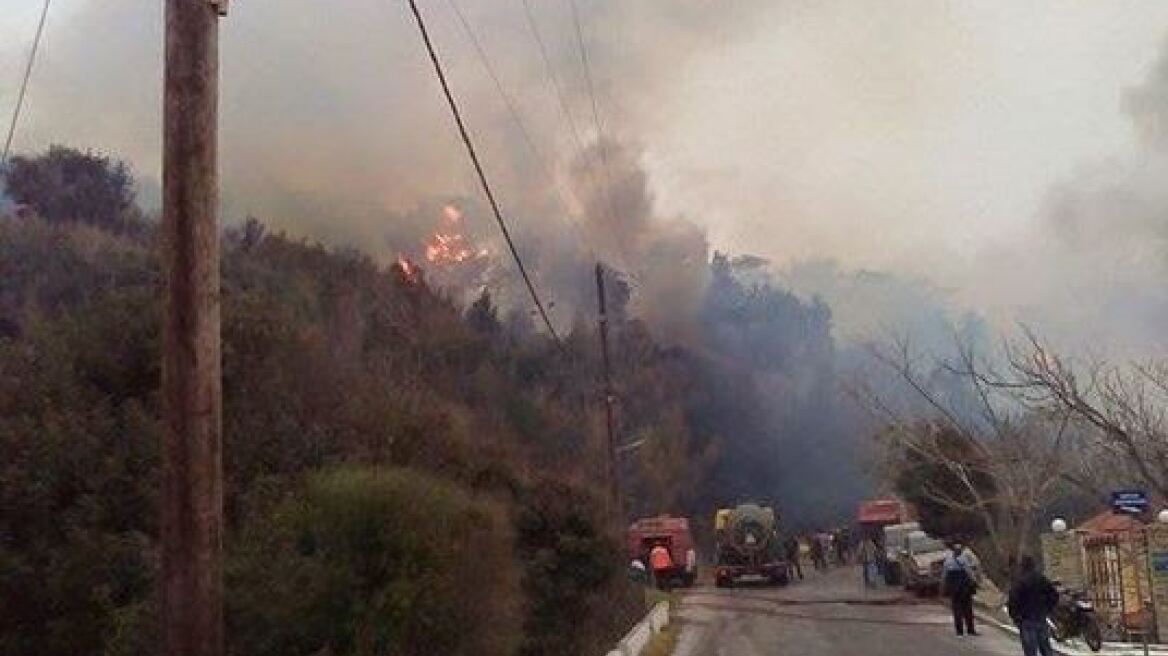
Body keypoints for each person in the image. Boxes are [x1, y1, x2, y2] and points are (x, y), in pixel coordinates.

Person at [1008, 555, 1059, 656]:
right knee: (1045, 647)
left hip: (1026, 619)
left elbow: (1013, 601)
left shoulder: (1020, 582)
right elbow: (1054, 595)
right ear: (1033, 565)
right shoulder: (1041, 578)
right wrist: (1048, 608)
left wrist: (1016, 617)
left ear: (1022, 567)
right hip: (1040, 616)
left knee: (1030, 650)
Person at [942, 540, 979, 636]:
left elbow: (944, 574)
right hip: (964, 587)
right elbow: (969, 572)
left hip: (953, 587)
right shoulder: (963, 559)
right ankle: (970, 630)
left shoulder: (948, 560)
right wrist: (975, 581)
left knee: (956, 609)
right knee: (967, 608)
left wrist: (944, 586)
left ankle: (959, 631)